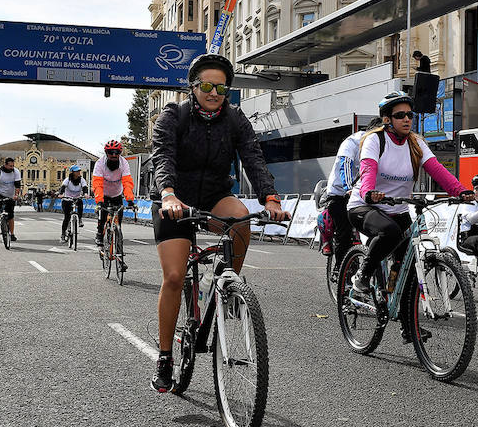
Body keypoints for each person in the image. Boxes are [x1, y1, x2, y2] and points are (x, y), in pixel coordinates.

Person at [149, 53, 289, 393]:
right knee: (174, 276)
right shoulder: (174, 116)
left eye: (222, 88)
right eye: (208, 86)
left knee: (240, 218)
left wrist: (270, 198)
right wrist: (168, 193)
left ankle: (229, 287)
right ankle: (165, 356)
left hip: (214, 195)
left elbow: (254, 158)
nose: (215, 93)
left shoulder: (235, 119)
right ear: (194, 87)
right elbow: (162, 156)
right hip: (175, 201)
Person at [347, 91, 473, 341]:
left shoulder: (415, 142)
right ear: (387, 119)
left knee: (408, 269)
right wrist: (369, 192)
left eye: (410, 115)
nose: (407, 119)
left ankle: (408, 327)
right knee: (390, 232)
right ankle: (362, 276)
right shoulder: (375, 140)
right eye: (400, 115)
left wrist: (460, 191)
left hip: (398, 208)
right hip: (365, 206)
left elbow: (436, 169)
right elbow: (368, 169)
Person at [320, 117, 384, 274]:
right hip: (340, 194)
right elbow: (345, 165)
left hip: (363, 193)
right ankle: (341, 270)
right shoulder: (352, 142)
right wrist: (348, 188)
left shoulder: (381, 145)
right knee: (345, 232)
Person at [92, 141, 135, 248]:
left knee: (118, 223)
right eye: (111, 153)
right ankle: (99, 235)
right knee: (103, 216)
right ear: (106, 153)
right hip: (104, 194)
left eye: (117, 153)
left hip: (117, 194)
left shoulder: (124, 163)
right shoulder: (99, 164)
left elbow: (127, 182)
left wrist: (130, 199)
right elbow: (97, 184)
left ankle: (119, 252)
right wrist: (100, 201)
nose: (114, 155)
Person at [0, 157, 22, 241]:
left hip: (10, 194)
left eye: (13, 166)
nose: (12, 168)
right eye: (10, 166)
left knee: (10, 215)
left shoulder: (16, 172)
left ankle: (12, 233)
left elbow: (17, 185)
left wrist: (16, 195)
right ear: (5, 165)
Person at [59, 165, 88, 243]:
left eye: (79, 171)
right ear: (72, 172)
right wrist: (61, 194)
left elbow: (85, 187)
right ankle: (63, 234)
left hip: (77, 198)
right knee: (67, 217)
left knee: (80, 202)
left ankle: (80, 219)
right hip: (67, 199)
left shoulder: (81, 179)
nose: (78, 172)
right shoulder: (67, 180)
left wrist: (85, 194)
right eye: (76, 171)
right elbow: (63, 187)